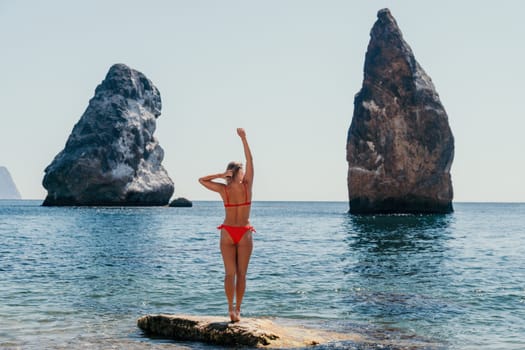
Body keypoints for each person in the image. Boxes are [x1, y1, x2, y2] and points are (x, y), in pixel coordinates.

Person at [198, 128, 254, 322]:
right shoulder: (247, 186)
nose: (245, 172)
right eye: (242, 170)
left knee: (230, 273)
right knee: (241, 274)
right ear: (239, 173)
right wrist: (244, 139)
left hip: (228, 232)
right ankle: (237, 310)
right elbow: (251, 160)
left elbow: (202, 180)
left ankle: (230, 309)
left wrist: (221, 174)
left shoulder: (224, 189)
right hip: (244, 232)